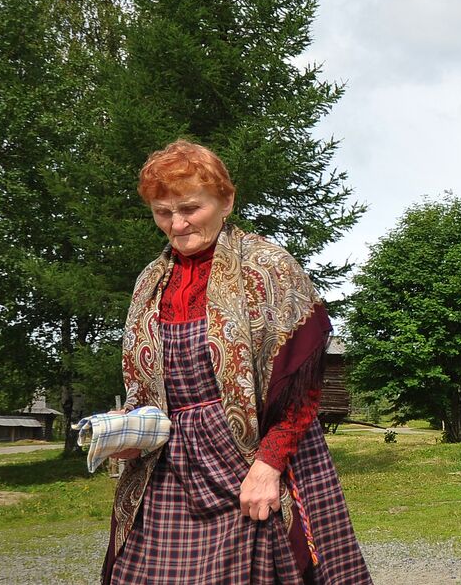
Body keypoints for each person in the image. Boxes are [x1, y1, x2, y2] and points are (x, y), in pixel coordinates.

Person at [101, 139, 372, 584]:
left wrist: (268, 467)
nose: (177, 223)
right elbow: (146, 382)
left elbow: (303, 385)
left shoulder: (267, 268)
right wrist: (129, 429)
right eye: (162, 212)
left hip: (255, 456)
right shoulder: (149, 281)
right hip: (168, 468)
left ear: (226, 200)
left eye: (190, 208)